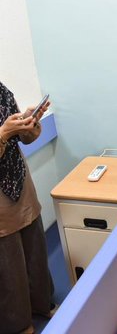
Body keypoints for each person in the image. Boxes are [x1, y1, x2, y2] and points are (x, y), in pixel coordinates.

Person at [0, 82, 55, 334]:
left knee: (36, 253)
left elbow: (23, 138)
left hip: (21, 182)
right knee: (9, 266)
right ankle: (19, 325)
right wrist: (3, 133)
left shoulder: (2, 91)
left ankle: (42, 304)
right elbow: (5, 133)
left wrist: (28, 121)